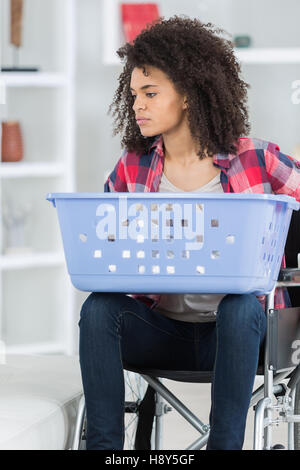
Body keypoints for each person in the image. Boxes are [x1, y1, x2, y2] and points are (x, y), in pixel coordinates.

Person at [78, 16, 300, 450]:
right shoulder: (132, 167)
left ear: (188, 94)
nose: (138, 104)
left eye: (151, 92)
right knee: (99, 309)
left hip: (244, 336)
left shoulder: (254, 158)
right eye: (134, 94)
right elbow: (106, 242)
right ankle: (104, 450)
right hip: (164, 332)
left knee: (239, 307)